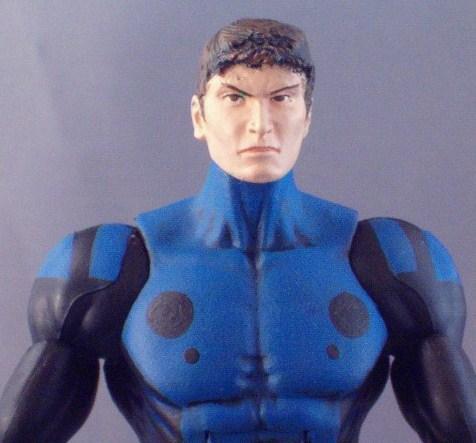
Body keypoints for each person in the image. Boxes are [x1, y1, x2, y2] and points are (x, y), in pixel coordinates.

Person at [0, 18, 475, 443]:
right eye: (235, 97)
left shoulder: (390, 259)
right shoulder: (112, 264)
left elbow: (459, 428)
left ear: (307, 116)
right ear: (199, 116)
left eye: (281, 98)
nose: (260, 124)